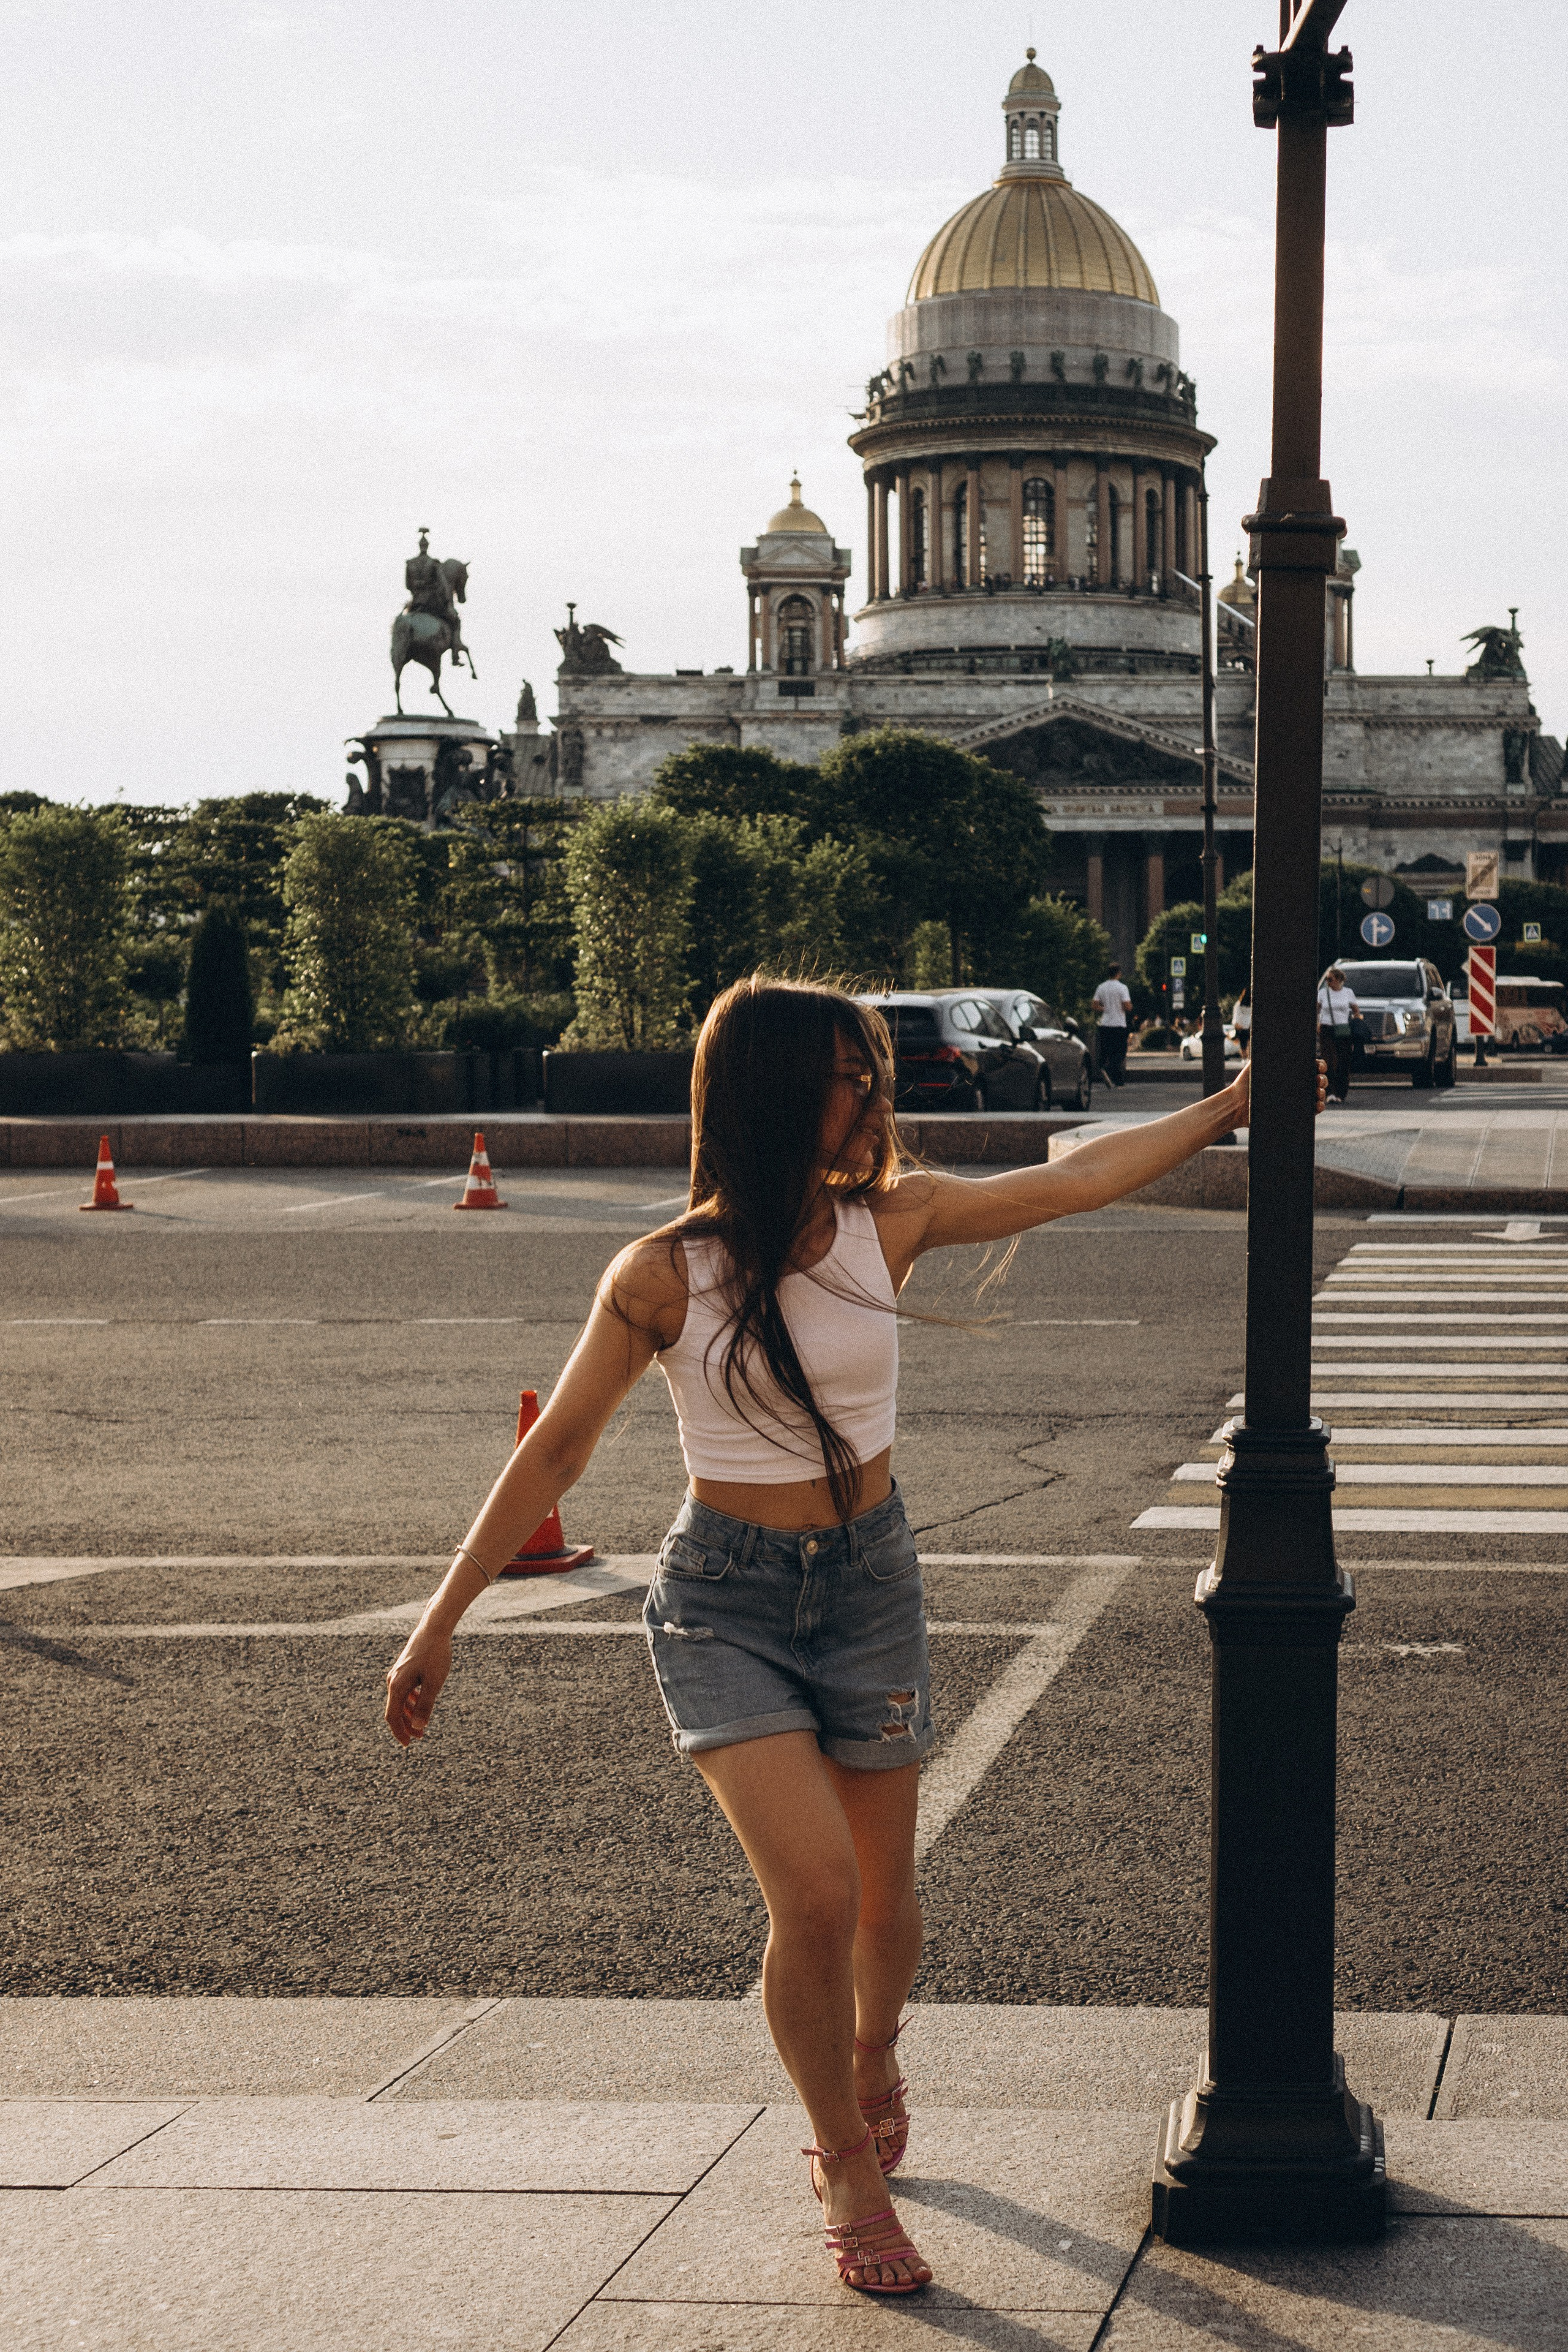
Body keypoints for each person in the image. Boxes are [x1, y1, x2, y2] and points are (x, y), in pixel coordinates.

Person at [382, 976, 1274, 2298]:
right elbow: (556, 1450)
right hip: (722, 1603)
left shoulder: (889, 1219)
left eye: (872, 1073)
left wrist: (1235, 1104)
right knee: (815, 1898)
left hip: (865, 1585)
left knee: (885, 1905)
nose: (877, 1097)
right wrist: (439, 1619)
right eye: (853, 1075)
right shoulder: (659, 1273)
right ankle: (842, 2161)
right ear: (777, 1093)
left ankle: (872, 2046)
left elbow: (1070, 1181)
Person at [1317, 965, 1359, 1102]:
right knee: (1328, 1061)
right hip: (1327, 1028)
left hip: (1343, 1029)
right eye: (1327, 980)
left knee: (1343, 1061)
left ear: (1339, 980)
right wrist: (1317, 1023)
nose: (1328, 982)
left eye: (1330, 979)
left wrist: (1356, 1023)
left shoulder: (1348, 992)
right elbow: (1316, 1009)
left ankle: (1341, 1093)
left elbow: (1355, 1010)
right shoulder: (1323, 993)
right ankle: (1329, 1093)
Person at [1091, 963, 1133, 1087]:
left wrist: (1105, 1008)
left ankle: (1116, 1080)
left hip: (1105, 1024)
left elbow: (1094, 1005)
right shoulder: (1122, 988)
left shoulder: (1101, 987)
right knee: (1120, 1052)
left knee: (1107, 1051)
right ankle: (1110, 1070)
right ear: (1118, 973)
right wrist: (1130, 1007)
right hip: (1119, 1025)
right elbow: (1127, 1006)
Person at [1232, 984, 1252, 1058]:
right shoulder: (1252, 1005)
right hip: (1250, 1027)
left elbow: (1236, 1016)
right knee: (1250, 1045)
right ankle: (1250, 1060)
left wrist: (1236, 1025)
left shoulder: (1239, 1005)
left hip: (1242, 1028)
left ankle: (1245, 1060)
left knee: (1243, 1046)